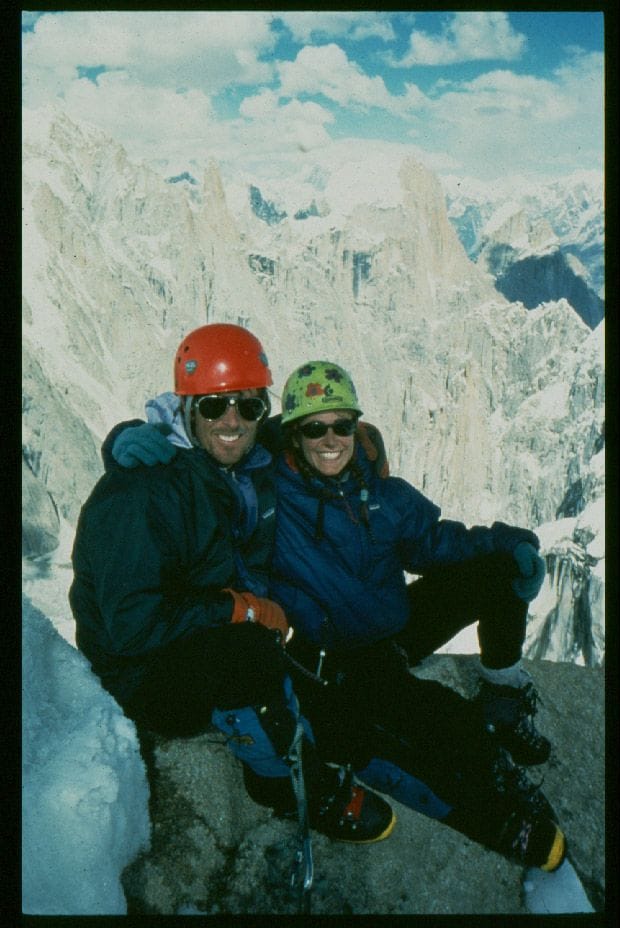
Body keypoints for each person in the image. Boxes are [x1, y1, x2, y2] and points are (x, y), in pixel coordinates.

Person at [110, 353, 573, 878]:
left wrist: (514, 544)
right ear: (292, 434)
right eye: (314, 428)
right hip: (337, 656)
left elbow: (435, 541)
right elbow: (212, 437)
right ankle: (501, 821)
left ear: (357, 426)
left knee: (496, 566)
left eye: (342, 425)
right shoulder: (267, 488)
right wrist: (127, 439)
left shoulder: (380, 491)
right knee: (433, 719)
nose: (330, 438)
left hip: (393, 629)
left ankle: (503, 694)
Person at [69, 324, 397, 849]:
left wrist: (361, 437)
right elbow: (131, 628)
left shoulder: (231, 455)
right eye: (215, 406)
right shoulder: (139, 495)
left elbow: (301, 436)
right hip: (142, 671)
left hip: (197, 633)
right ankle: (284, 788)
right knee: (246, 656)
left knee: (345, 718)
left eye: (249, 407)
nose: (232, 422)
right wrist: (236, 610)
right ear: (186, 409)